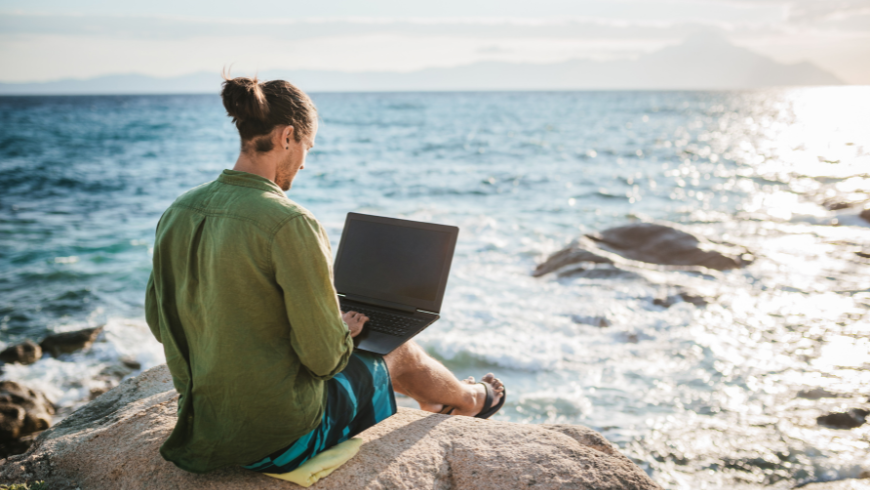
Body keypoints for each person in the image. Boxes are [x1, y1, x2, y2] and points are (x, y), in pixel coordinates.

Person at [144, 75, 506, 475]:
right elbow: (323, 361)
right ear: (286, 137)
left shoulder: (179, 209)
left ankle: (442, 402)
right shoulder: (289, 222)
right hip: (278, 441)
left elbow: (160, 323)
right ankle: (472, 401)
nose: (304, 161)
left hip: (202, 428)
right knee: (395, 350)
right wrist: (340, 331)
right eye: (306, 147)